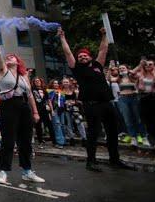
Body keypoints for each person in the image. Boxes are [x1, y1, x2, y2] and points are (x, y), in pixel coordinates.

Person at [57, 27, 135, 171]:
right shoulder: (77, 68)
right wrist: (62, 37)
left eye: (85, 56)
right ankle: (91, 162)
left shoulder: (98, 65)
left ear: (90, 57)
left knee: (112, 132)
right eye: (80, 56)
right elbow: (68, 52)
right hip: (91, 105)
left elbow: (103, 50)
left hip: (106, 104)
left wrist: (104, 35)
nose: (82, 57)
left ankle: (115, 160)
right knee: (93, 133)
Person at [0, 28, 45, 184]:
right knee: (8, 139)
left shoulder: (24, 76)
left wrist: (35, 112)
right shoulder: (2, 72)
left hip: (24, 107)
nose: (8, 57)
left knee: (25, 140)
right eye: (7, 57)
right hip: (8, 106)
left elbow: (30, 95)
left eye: (12, 56)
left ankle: (27, 171)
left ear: (18, 61)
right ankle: (4, 171)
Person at [114, 64, 147, 147]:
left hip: (134, 98)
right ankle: (133, 137)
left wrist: (139, 64)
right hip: (123, 99)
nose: (121, 69)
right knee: (127, 119)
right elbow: (109, 78)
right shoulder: (119, 79)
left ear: (127, 69)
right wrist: (111, 68)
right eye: (120, 68)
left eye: (123, 68)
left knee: (138, 118)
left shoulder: (133, 76)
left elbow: (137, 73)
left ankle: (144, 137)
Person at [31, 77, 56, 147]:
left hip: (45, 110)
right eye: (35, 81)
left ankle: (54, 141)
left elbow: (49, 100)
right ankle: (40, 141)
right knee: (38, 126)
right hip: (36, 110)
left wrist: (52, 110)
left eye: (38, 81)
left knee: (49, 125)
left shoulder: (45, 90)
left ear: (41, 82)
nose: (37, 82)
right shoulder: (32, 90)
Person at [47, 79, 67, 149]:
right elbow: (49, 101)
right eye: (54, 83)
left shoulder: (61, 92)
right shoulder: (49, 91)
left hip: (61, 110)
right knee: (57, 125)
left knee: (62, 125)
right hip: (54, 110)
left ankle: (64, 141)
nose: (56, 84)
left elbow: (63, 101)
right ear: (52, 84)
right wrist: (51, 110)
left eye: (57, 83)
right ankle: (60, 142)